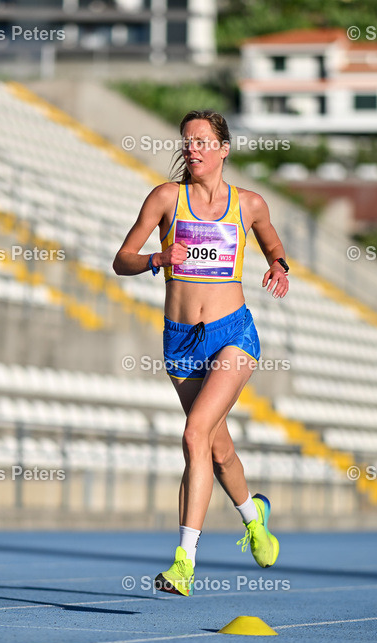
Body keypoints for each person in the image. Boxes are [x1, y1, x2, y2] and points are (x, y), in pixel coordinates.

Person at [113, 110, 289, 596]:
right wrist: (156, 257)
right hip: (181, 342)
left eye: (203, 141)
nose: (193, 149)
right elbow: (121, 259)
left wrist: (279, 264)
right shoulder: (167, 198)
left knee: (193, 433)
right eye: (187, 142)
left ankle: (183, 563)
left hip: (233, 334)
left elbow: (272, 241)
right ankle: (254, 518)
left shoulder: (248, 204)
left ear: (224, 148)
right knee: (216, 446)